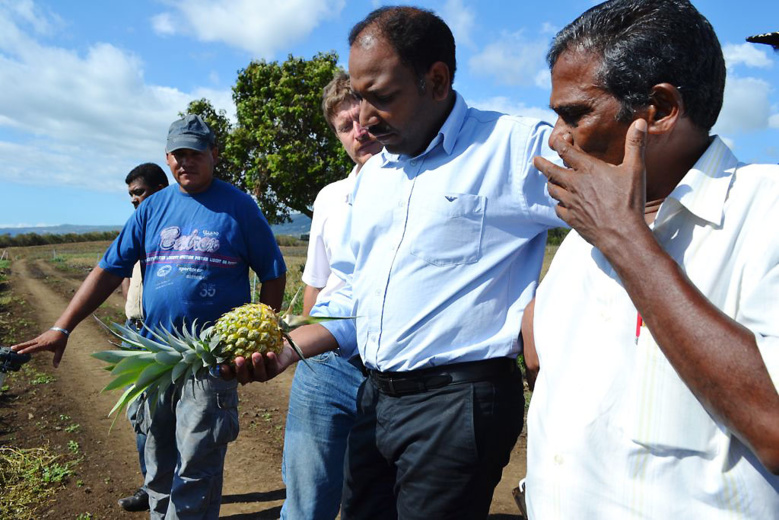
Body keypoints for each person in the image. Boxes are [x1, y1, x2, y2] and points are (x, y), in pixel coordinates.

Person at [227, 6, 563, 518]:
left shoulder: (514, 150)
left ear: (436, 79)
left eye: (381, 97)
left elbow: (627, 206)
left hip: (457, 403)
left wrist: (550, 305)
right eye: (358, 97)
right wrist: (290, 348)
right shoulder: (375, 177)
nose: (363, 119)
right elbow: (357, 299)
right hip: (377, 396)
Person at [523, 0, 779, 518]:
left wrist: (627, 242)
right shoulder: (581, 240)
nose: (556, 136)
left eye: (574, 113)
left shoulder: (766, 214)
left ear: (658, 110)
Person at [14, 114, 286, 519]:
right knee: (157, 459)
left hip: (210, 359)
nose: (185, 162)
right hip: (154, 354)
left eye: (194, 153)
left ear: (213, 154)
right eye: (177, 154)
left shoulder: (240, 207)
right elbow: (108, 270)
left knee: (197, 463)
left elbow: (274, 273)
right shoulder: (153, 208)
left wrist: (260, 334)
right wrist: (62, 326)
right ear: (167, 157)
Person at [281, 71, 382, 519]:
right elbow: (316, 285)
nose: (358, 133)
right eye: (345, 126)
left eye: (363, 119)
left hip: (389, 370)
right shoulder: (330, 198)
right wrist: (306, 353)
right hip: (328, 367)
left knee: (372, 497)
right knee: (308, 500)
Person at [118, 162, 169, 512]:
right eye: (132, 197)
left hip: (164, 336)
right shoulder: (138, 225)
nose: (136, 202)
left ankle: (175, 486)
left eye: (141, 193)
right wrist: (131, 297)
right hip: (134, 333)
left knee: (169, 418)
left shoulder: (172, 226)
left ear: (161, 188)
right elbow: (120, 268)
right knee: (140, 417)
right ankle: (150, 487)